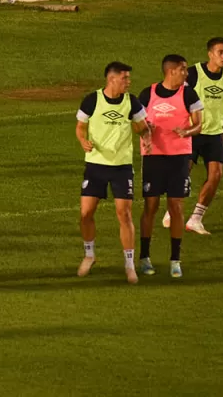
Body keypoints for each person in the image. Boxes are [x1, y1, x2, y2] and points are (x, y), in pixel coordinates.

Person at [74, 61, 149, 284]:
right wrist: (82, 141)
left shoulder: (131, 102)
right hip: (95, 165)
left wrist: (144, 134)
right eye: (124, 78)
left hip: (121, 166)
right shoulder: (92, 100)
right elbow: (80, 125)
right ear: (111, 79)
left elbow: (143, 127)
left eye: (128, 78)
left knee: (124, 214)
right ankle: (89, 255)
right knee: (86, 213)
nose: (129, 81)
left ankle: (129, 264)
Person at [137, 55, 203, 278]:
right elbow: (136, 123)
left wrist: (187, 132)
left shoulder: (189, 93)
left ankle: (175, 260)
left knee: (176, 207)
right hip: (154, 157)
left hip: (179, 158)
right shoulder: (148, 93)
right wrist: (146, 130)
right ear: (171, 71)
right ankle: (144, 257)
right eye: (183, 69)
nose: (187, 73)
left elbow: (199, 124)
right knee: (151, 206)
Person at [165, 37, 223, 235]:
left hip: (213, 134)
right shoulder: (194, 74)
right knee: (182, 173)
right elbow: (178, 97)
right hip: (192, 132)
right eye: (220, 52)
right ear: (210, 54)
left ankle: (196, 218)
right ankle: (171, 210)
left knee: (216, 175)